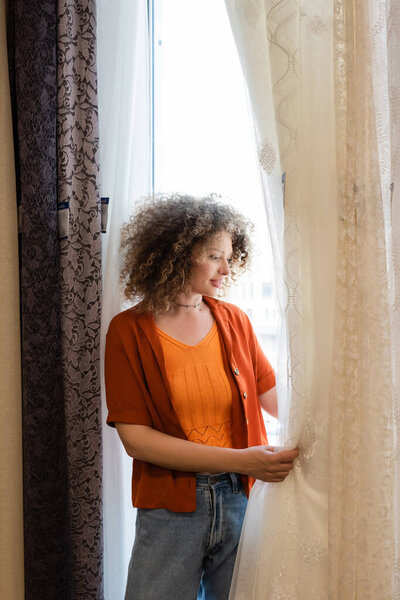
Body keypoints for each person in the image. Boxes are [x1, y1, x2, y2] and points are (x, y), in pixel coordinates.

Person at [104, 194, 298, 600]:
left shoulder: (234, 320)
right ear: (175, 254)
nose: (226, 269)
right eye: (214, 256)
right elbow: (136, 439)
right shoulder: (128, 331)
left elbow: (273, 397)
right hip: (170, 508)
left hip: (239, 501)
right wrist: (243, 460)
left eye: (229, 257)